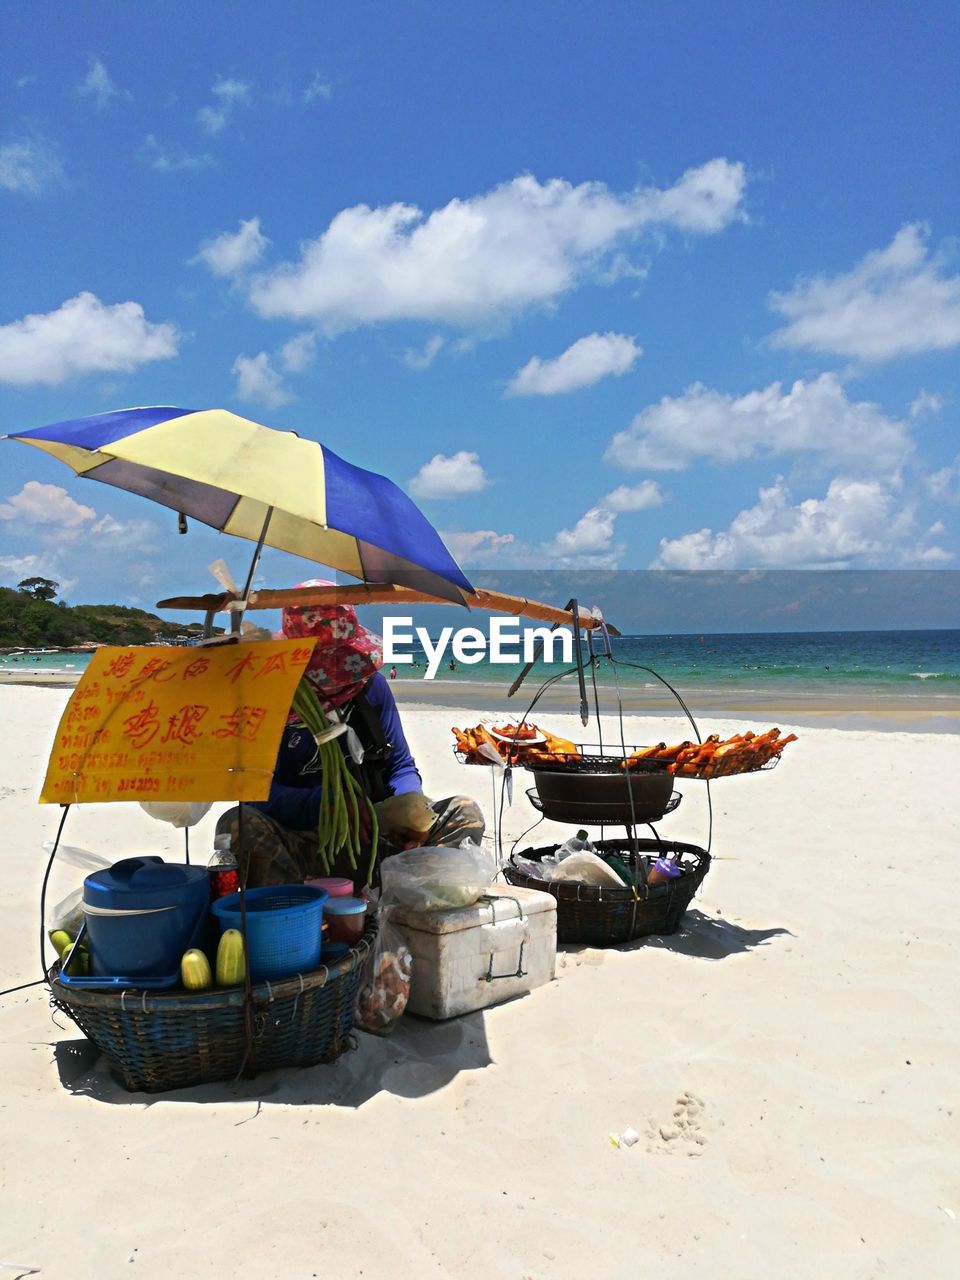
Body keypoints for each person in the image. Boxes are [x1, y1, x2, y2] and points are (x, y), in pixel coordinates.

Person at [216, 582, 484, 888]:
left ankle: (409, 904)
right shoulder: (268, 699)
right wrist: (329, 805)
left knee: (464, 812)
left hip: (377, 839)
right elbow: (253, 789)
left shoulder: (371, 688)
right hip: (306, 845)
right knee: (235, 823)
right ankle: (296, 914)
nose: (334, 683)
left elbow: (400, 765)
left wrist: (408, 809)